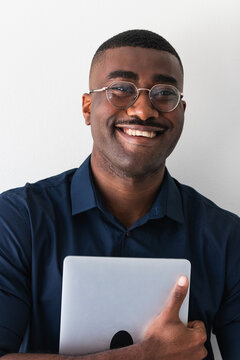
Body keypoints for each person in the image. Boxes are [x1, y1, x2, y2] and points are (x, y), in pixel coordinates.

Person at [0, 29, 239, 360]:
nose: (143, 110)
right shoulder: (17, 220)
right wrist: (146, 355)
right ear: (87, 107)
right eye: (121, 90)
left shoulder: (227, 238)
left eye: (164, 93)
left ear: (182, 111)